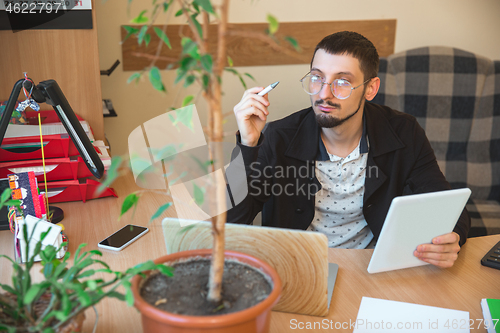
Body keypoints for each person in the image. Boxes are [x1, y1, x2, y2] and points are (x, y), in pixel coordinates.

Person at [227, 31, 470, 268]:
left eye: (342, 82)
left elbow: (446, 205)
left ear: (370, 89)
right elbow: (230, 223)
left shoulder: (403, 131)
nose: (324, 94)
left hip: (372, 267)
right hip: (297, 266)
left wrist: (453, 237)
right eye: (317, 78)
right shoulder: (277, 137)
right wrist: (248, 147)